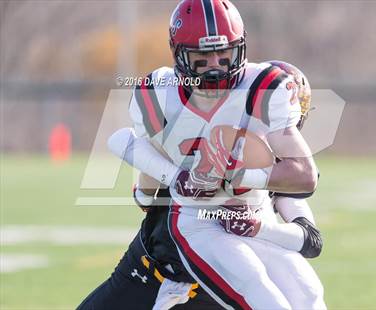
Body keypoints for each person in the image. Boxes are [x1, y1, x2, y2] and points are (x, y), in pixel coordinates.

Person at [78, 0, 325, 309]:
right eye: (203, 57)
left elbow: (307, 206)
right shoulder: (159, 93)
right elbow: (140, 177)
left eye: (224, 55)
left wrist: (243, 195)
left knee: (308, 297)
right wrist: (177, 178)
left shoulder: (266, 95)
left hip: (246, 224)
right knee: (263, 298)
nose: (216, 67)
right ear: (179, 54)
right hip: (187, 232)